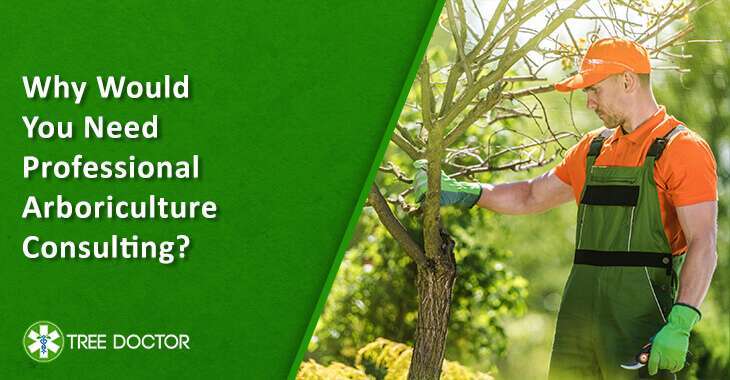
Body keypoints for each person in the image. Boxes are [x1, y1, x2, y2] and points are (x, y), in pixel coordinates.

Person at [413, 37, 718, 379]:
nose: (588, 102)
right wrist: (467, 192)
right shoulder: (594, 148)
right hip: (577, 321)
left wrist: (681, 321)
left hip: (637, 320)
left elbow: (703, 241)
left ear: (628, 81)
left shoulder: (681, 149)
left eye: (594, 90)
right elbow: (531, 195)